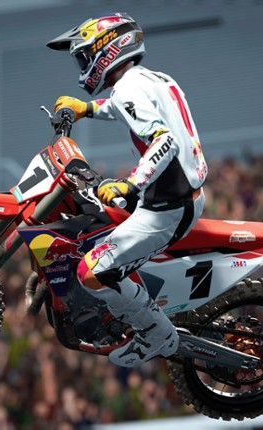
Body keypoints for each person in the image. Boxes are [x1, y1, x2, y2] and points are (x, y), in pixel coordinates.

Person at [46, 13, 208, 367]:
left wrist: (130, 183)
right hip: (175, 195)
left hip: (167, 207)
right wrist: (87, 109)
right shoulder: (150, 78)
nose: (84, 66)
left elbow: (163, 141)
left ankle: (156, 334)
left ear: (107, 50)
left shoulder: (127, 89)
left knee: (92, 273)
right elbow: (126, 109)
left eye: (85, 57)